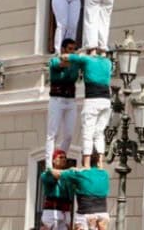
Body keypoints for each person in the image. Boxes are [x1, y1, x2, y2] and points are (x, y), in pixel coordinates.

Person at [61, 51, 113, 159]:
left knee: (87, 132)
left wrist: (80, 56)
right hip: (106, 101)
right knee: (99, 133)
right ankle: (100, 163)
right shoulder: (108, 62)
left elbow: (64, 57)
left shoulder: (87, 60)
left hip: (93, 100)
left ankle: (87, 164)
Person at [50, 153, 110, 230]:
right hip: (102, 215)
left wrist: (70, 170)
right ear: (97, 160)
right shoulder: (104, 174)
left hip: (85, 215)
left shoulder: (79, 173)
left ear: (85, 159)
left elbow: (55, 173)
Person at [46, 39, 80, 168]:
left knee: (69, 135)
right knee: (52, 133)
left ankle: (60, 159)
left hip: (70, 101)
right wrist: (72, 60)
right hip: (57, 100)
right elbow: (60, 65)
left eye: (74, 49)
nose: (72, 51)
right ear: (64, 49)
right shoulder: (55, 60)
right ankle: (49, 164)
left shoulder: (75, 63)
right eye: (70, 49)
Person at [39, 149, 74, 230]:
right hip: (52, 211)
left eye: (65, 158)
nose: (64, 159)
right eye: (60, 157)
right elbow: (56, 175)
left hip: (66, 211)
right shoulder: (46, 174)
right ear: (53, 160)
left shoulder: (67, 175)